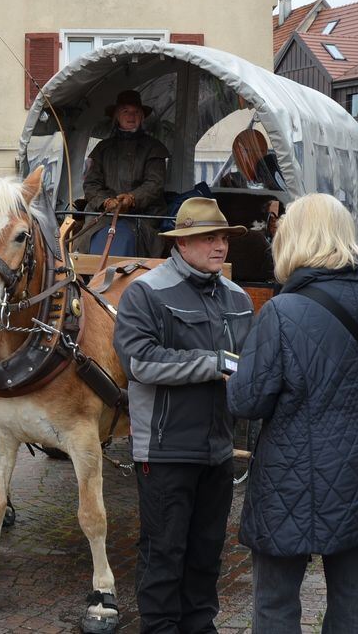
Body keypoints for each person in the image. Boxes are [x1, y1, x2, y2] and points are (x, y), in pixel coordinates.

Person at [227, 193, 358, 632]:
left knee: (276, 603)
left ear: (293, 239)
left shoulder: (281, 311)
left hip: (292, 473)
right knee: (356, 603)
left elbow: (247, 402)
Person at [113, 197, 253, 632]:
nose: (220, 246)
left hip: (217, 449)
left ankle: (199, 625)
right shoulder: (146, 291)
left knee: (207, 550)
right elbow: (139, 362)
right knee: (163, 551)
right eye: (209, 238)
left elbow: (250, 362)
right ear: (184, 243)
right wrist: (214, 363)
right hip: (165, 448)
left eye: (224, 238)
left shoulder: (238, 297)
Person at [76, 89, 170, 258]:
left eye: (135, 112)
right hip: (104, 214)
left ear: (141, 116)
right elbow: (91, 184)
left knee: (130, 238)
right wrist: (105, 202)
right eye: (125, 111)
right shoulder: (103, 148)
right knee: (89, 240)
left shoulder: (154, 147)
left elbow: (154, 184)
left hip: (142, 215)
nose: (130, 116)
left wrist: (132, 198)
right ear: (117, 116)